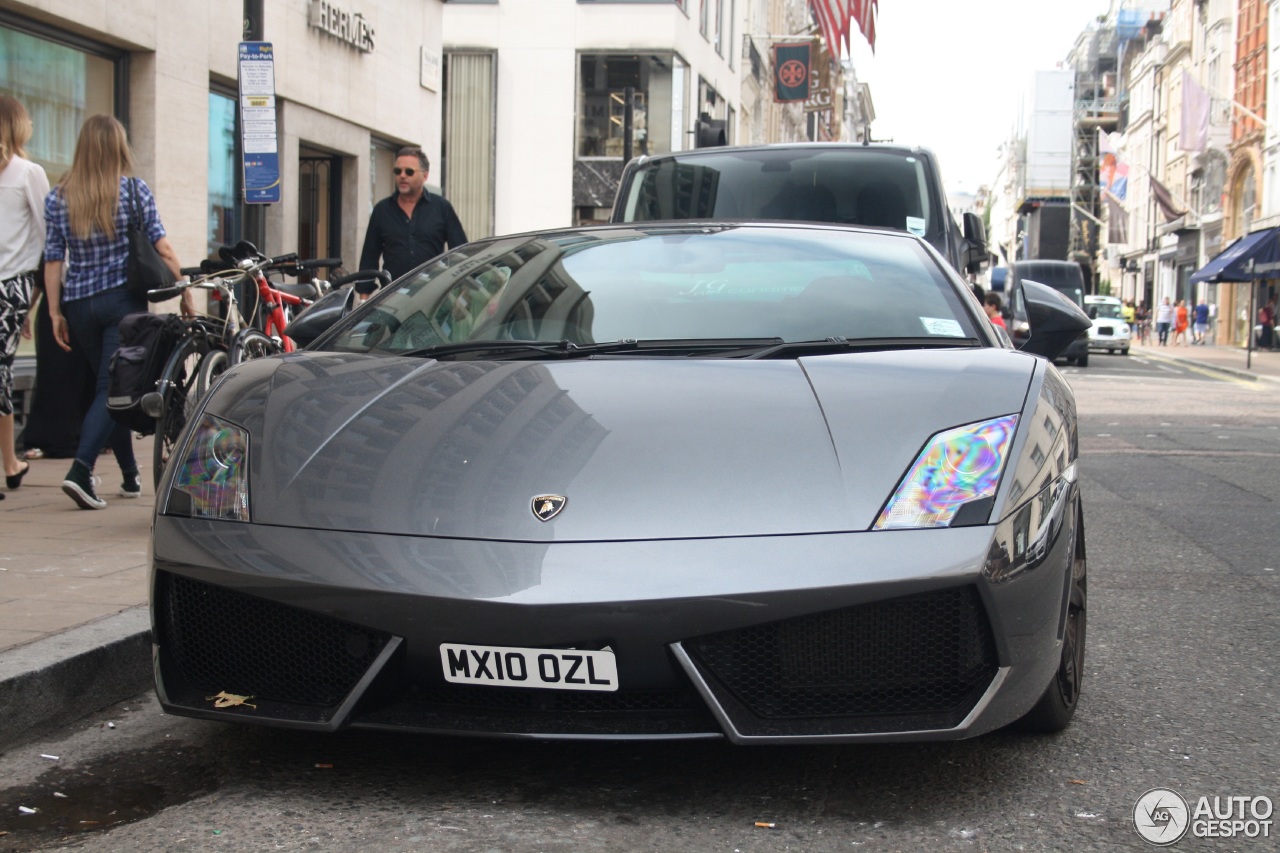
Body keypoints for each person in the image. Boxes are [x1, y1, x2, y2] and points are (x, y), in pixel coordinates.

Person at [43, 115, 189, 510]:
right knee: (115, 388)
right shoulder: (133, 193)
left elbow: (54, 261)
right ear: (119, 148)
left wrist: (55, 312)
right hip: (122, 303)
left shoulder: (59, 197)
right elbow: (162, 248)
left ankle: (128, 475)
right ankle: (80, 471)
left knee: (111, 387)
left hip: (78, 304)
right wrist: (184, 287)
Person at [0, 95, 49, 496]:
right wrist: (38, 297)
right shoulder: (28, 172)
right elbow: (48, 236)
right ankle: (9, 463)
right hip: (12, 285)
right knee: (1, 371)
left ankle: (11, 462)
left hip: (11, 286)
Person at [359, 146, 467, 280]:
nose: (402, 176)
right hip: (392, 294)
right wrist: (364, 296)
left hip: (433, 292)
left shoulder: (441, 208)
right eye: (398, 171)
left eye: (409, 172)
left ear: (425, 175)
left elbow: (461, 252)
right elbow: (369, 256)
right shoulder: (382, 210)